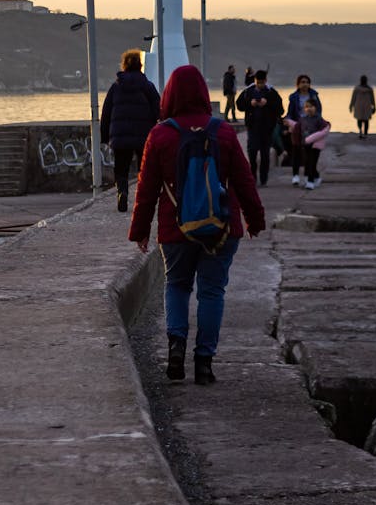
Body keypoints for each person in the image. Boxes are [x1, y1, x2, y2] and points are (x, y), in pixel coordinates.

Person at [128, 65, 265, 385]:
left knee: (176, 285)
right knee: (212, 292)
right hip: (222, 228)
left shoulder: (160, 135)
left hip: (175, 228)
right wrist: (254, 220)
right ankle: (204, 363)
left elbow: (146, 190)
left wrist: (139, 231)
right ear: (204, 93)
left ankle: (176, 348)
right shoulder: (225, 132)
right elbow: (245, 182)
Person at [100, 48, 161, 213]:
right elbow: (159, 109)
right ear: (140, 65)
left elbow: (106, 113)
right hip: (144, 135)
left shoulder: (116, 87)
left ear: (124, 65)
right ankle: (143, 199)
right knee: (145, 168)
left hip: (120, 137)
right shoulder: (147, 86)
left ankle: (122, 192)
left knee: (121, 168)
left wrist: (105, 137)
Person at [236, 69, 284, 186]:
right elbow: (239, 105)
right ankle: (253, 177)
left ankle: (263, 179)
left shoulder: (272, 92)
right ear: (255, 80)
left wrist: (267, 103)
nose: (260, 85)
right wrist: (250, 103)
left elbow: (280, 110)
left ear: (266, 81)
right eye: (258, 82)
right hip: (253, 127)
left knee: (265, 155)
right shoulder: (248, 91)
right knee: (252, 153)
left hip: (267, 129)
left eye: (262, 82)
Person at [285, 73, 323, 186]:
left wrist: (318, 126)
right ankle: (295, 175)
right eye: (302, 82)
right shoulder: (293, 97)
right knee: (296, 151)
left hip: (311, 128)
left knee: (310, 154)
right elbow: (290, 113)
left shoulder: (314, 95)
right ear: (298, 84)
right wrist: (288, 123)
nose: (305, 84)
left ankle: (310, 176)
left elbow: (319, 111)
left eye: (307, 82)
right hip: (297, 127)